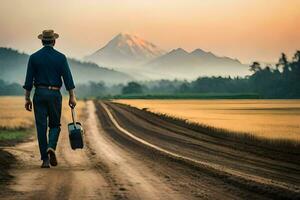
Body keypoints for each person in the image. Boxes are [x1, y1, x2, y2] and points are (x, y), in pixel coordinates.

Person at [23, 30, 77, 168]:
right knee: (54, 125)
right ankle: (51, 146)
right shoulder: (61, 57)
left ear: (42, 41)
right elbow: (68, 79)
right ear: (54, 41)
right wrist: (72, 96)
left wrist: (27, 98)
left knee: (41, 127)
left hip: (39, 94)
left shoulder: (33, 57)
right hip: (54, 94)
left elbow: (28, 80)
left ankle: (45, 160)